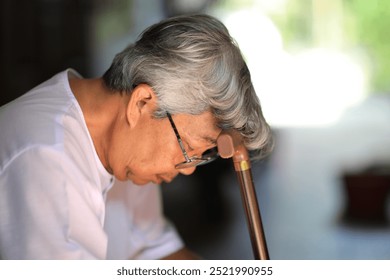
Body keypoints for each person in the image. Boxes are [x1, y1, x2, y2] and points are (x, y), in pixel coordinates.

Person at [0, 14, 272, 259]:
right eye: (188, 148)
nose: (188, 170)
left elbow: (153, 252)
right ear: (141, 102)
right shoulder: (43, 156)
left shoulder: (128, 149)